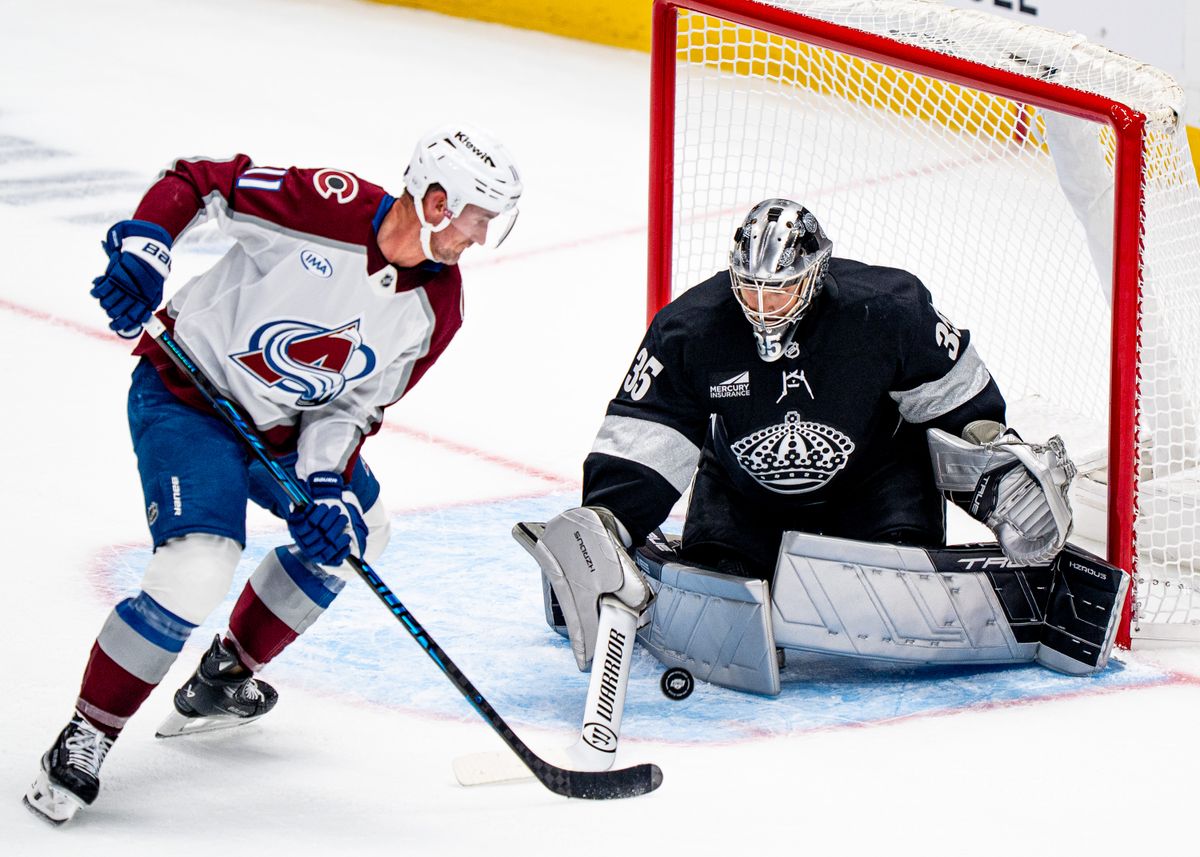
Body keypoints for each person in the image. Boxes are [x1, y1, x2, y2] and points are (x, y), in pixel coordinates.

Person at [23, 124, 523, 825]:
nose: (479, 235)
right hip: (187, 398)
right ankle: (88, 733)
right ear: (436, 199)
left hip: (286, 429)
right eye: (477, 217)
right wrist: (146, 249)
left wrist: (324, 486)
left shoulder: (437, 308)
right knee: (199, 563)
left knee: (361, 533)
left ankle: (225, 674)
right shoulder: (326, 206)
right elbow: (199, 181)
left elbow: (354, 405)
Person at [527, 198, 1102, 690]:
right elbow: (647, 434)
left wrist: (995, 476)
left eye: (780, 289)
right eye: (750, 288)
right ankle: (727, 558)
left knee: (898, 570)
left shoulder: (888, 309)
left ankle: (900, 552)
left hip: (876, 490)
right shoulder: (691, 328)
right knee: (721, 579)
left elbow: (957, 406)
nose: (764, 305)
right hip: (744, 496)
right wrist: (609, 522)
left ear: (816, 272)